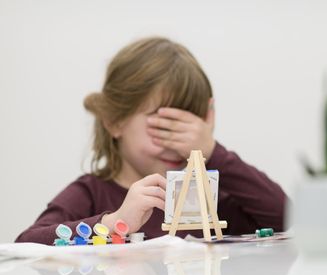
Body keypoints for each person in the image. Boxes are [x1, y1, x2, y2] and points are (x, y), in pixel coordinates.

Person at [15, 37, 286, 245]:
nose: (175, 143)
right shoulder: (91, 194)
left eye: (186, 128)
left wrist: (212, 151)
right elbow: (26, 244)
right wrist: (114, 224)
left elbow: (284, 217)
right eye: (164, 126)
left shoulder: (200, 196)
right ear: (115, 121)